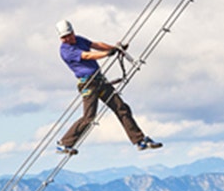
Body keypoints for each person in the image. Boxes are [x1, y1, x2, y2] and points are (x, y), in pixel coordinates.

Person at [54, 19, 162, 155]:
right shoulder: (66, 50)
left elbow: (96, 45)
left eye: (69, 34)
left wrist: (113, 48)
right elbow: (87, 55)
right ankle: (65, 143)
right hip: (88, 84)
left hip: (99, 80)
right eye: (64, 37)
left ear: (73, 32)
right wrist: (106, 54)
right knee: (89, 117)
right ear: (60, 38)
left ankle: (139, 140)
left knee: (121, 108)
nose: (68, 38)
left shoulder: (79, 39)